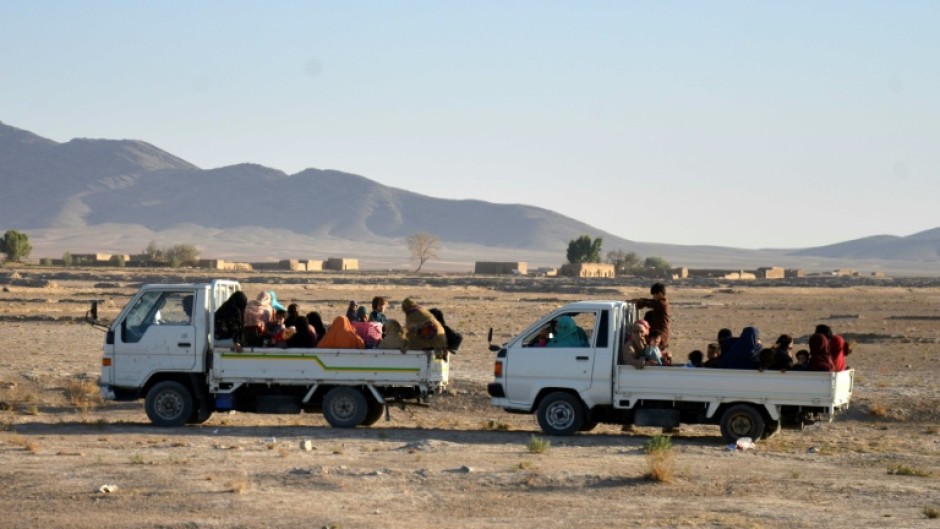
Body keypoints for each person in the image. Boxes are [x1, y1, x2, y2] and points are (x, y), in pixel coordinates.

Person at [630, 283, 670, 352]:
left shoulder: (662, 304)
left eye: (654, 295)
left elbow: (648, 303)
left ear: (659, 294)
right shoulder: (660, 302)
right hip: (658, 333)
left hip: (660, 335)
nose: (653, 297)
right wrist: (637, 300)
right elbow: (648, 301)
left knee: (654, 354)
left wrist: (637, 302)